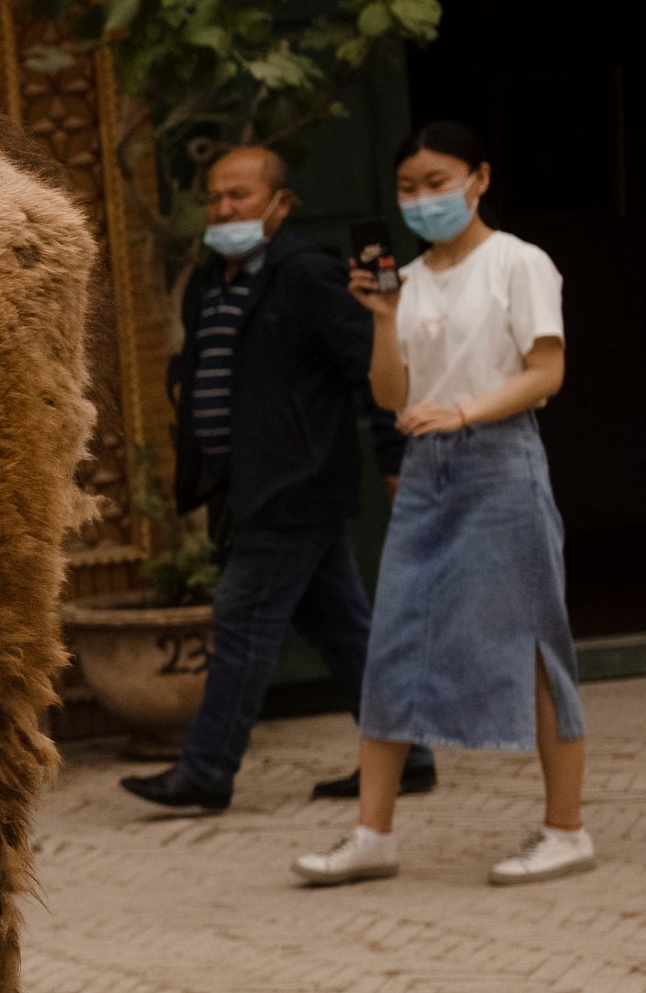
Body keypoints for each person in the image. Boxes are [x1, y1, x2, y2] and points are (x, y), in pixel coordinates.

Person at [297, 121, 590, 888]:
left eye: (437, 182)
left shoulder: (519, 263)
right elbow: (391, 397)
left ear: (479, 179)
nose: (422, 199)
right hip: (427, 472)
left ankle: (566, 829)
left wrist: (465, 410)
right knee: (392, 642)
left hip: (502, 463)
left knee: (534, 642)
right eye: (407, 188)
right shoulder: (408, 282)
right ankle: (373, 834)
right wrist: (385, 319)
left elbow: (546, 372)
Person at [121, 144, 431, 813]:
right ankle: (410, 756)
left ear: (281, 204)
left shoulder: (308, 276)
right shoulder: (213, 278)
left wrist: (393, 457)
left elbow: (376, 364)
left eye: (240, 196)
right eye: (215, 198)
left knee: (240, 626)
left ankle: (205, 770)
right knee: (345, 629)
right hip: (247, 485)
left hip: (294, 483)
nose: (224, 209)